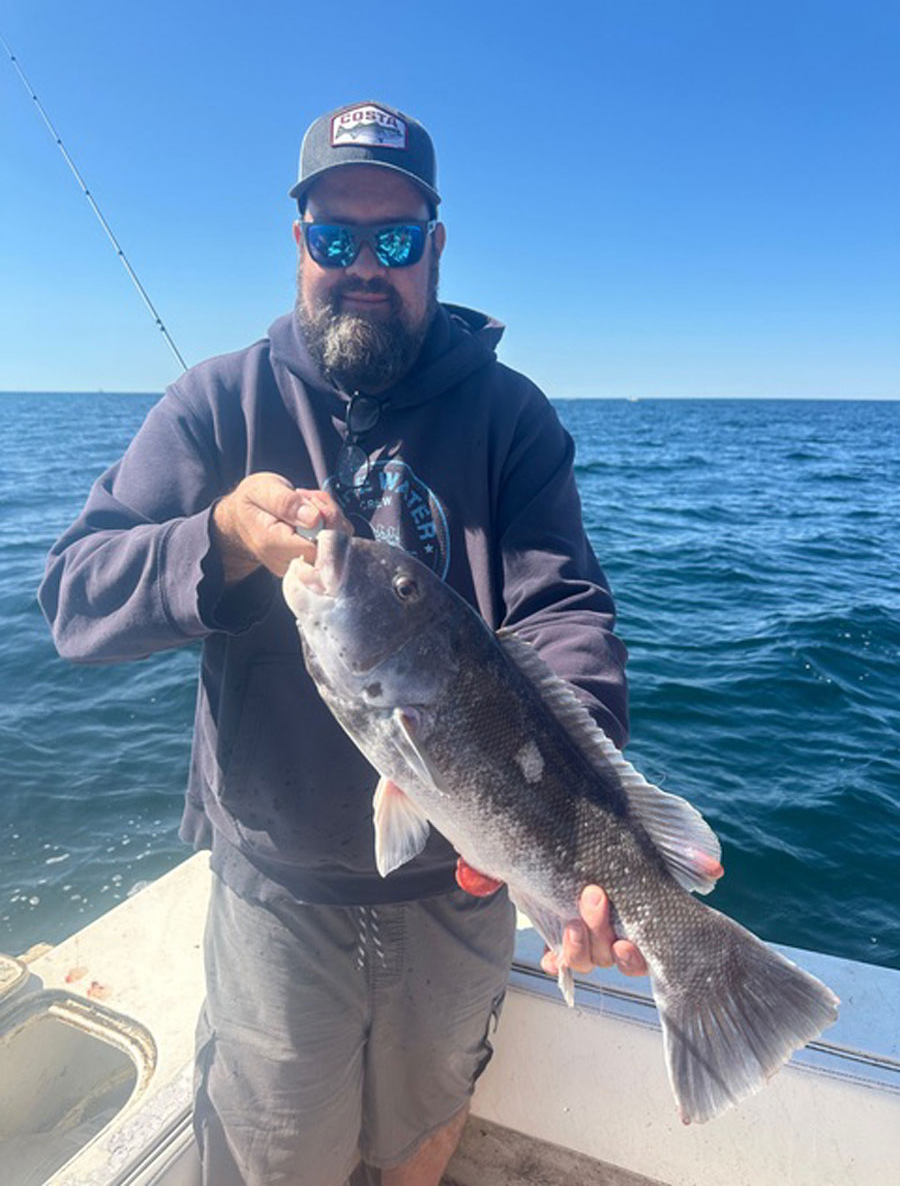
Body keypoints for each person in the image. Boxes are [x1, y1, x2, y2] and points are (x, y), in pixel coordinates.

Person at [39, 101, 646, 1186]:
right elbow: (74, 601)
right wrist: (218, 538)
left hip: (461, 899)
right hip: (276, 897)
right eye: (336, 238)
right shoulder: (214, 401)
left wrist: (583, 817)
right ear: (300, 246)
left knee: (425, 1131)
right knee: (275, 1160)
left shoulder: (512, 419)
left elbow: (563, 613)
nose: (365, 264)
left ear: (435, 248)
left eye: (396, 239)